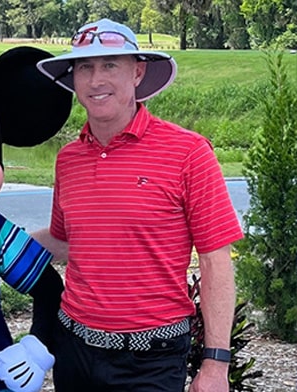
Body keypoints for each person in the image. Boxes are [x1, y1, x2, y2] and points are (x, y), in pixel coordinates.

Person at [33, 18, 243, 392]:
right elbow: (67, 242)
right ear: (74, 78)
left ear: (138, 72)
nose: (96, 80)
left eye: (110, 65)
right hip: (75, 350)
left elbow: (215, 260)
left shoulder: (188, 152)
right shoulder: (68, 158)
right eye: (85, 67)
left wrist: (216, 363)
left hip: (151, 358)